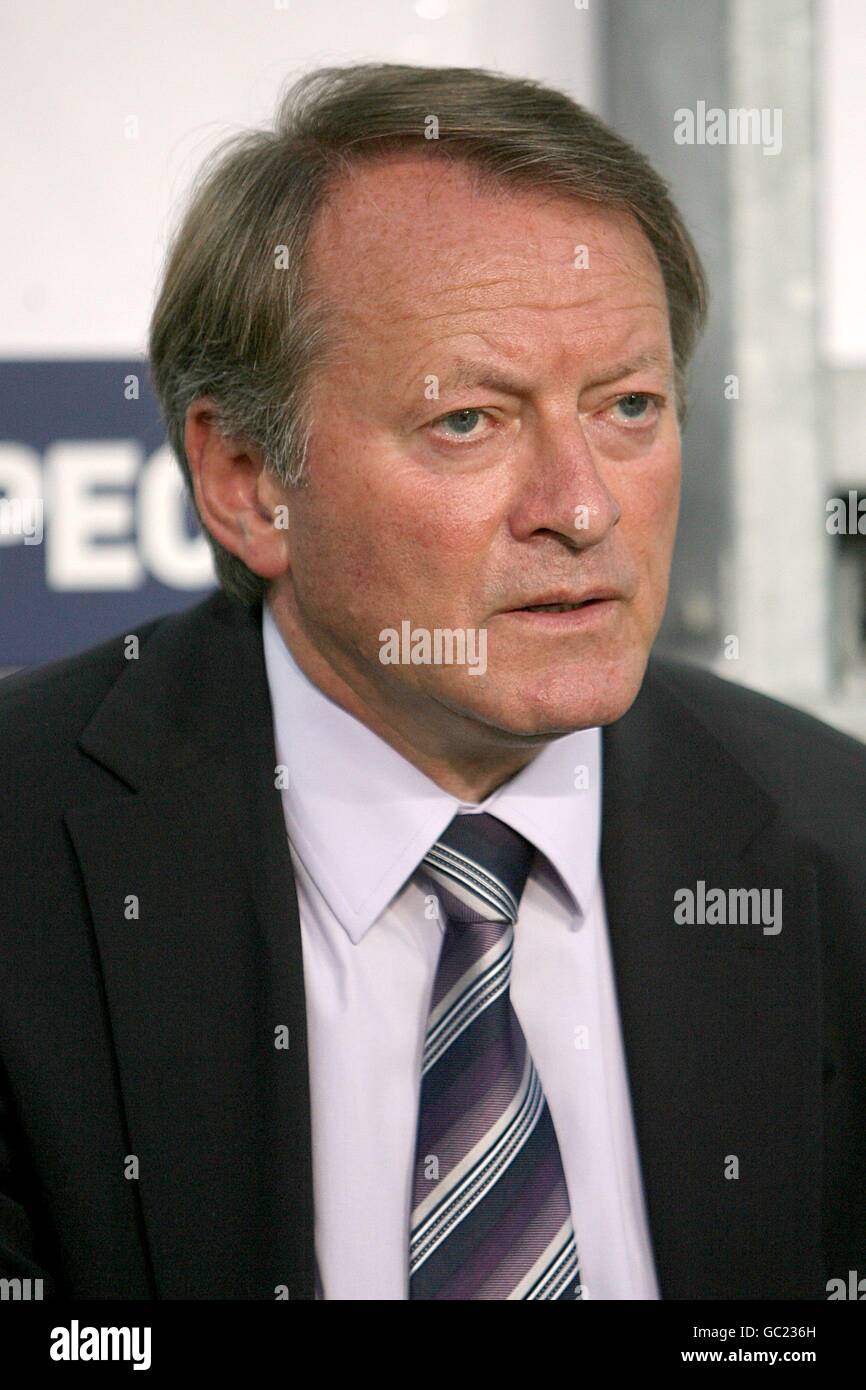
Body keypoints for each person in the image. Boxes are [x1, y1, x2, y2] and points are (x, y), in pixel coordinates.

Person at [1, 63, 863, 1301]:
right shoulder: (22, 856)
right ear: (248, 480)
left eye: (627, 406)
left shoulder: (837, 849)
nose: (579, 506)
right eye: (469, 421)